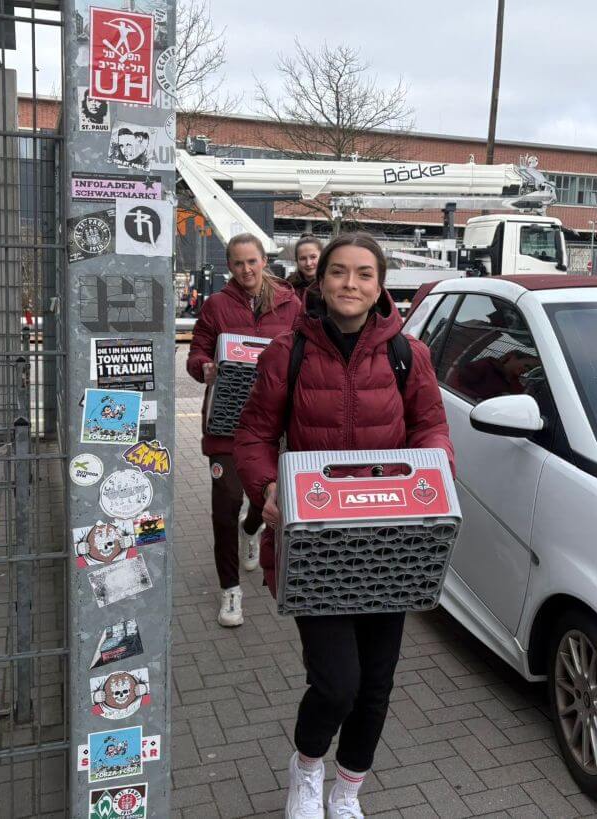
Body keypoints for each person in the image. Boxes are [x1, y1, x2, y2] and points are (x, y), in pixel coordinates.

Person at [234, 233, 454, 818]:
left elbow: (431, 428)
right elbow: (253, 435)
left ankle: (348, 790)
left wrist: (435, 475)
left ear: (380, 285)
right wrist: (267, 487)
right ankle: (306, 770)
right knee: (336, 683)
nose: (349, 284)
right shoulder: (289, 353)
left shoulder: (409, 355)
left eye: (362, 274)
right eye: (338, 273)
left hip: (391, 543)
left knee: (376, 684)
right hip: (317, 543)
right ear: (319, 280)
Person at [186, 233, 301, 627]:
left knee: (263, 497)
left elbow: (304, 351)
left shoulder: (289, 304)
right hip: (226, 420)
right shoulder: (217, 305)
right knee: (225, 503)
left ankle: (252, 530)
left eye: (252, 261)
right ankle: (230, 591)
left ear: (264, 260)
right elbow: (197, 351)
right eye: (238, 263)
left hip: (272, 421)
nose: (246, 270)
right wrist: (204, 367)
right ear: (229, 266)